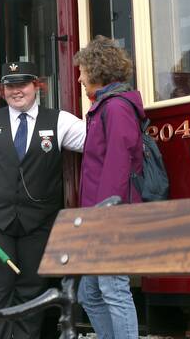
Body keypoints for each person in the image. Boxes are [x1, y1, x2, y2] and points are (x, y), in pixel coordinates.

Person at [0, 62, 85, 339]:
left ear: (37, 86)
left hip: (39, 225)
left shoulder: (59, 120)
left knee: (31, 294)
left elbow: (96, 141)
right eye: (10, 86)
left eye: (23, 85)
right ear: (2, 90)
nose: (17, 91)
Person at [74, 35, 142, 339]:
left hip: (108, 218)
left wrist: (103, 217)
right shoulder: (105, 107)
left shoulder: (115, 109)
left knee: (114, 289)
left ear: (97, 71)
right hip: (98, 216)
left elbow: (117, 166)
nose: (79, 77)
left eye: (83, 70)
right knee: (89, 294)